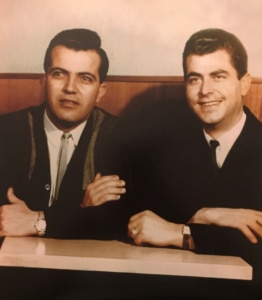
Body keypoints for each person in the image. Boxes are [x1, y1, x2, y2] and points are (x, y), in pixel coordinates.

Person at [117, 28, 262, 283]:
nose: (205, 90)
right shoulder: (160, 149)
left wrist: (180, 233)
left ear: (244, 83)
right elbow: (137, 223)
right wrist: (210, 215)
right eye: (194, 79)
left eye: (218, 76)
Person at [0, 28, 127, 240]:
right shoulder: (7, 131)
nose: (70, 88)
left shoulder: (120, 136)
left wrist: (39, 221)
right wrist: (82, 208)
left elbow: (118, 220)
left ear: (100, 92)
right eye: (59, 74)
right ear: (43, 82)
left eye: (85, 78)